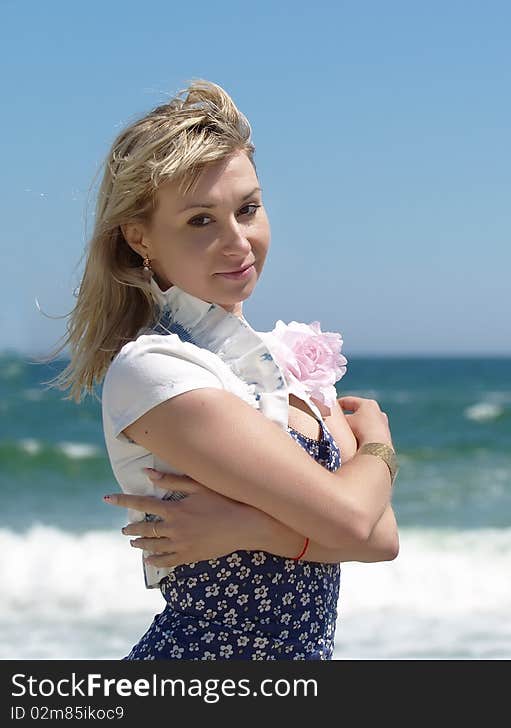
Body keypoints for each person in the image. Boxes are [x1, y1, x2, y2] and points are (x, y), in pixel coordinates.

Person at [48, 79, 400, 660]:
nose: (238, 241)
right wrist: (379, 445)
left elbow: (380, 540)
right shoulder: (155, 369)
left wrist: (252, 529)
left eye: (248, 209)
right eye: (200, 221)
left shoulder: (292, 361)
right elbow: (353, 521)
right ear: (139, 237)